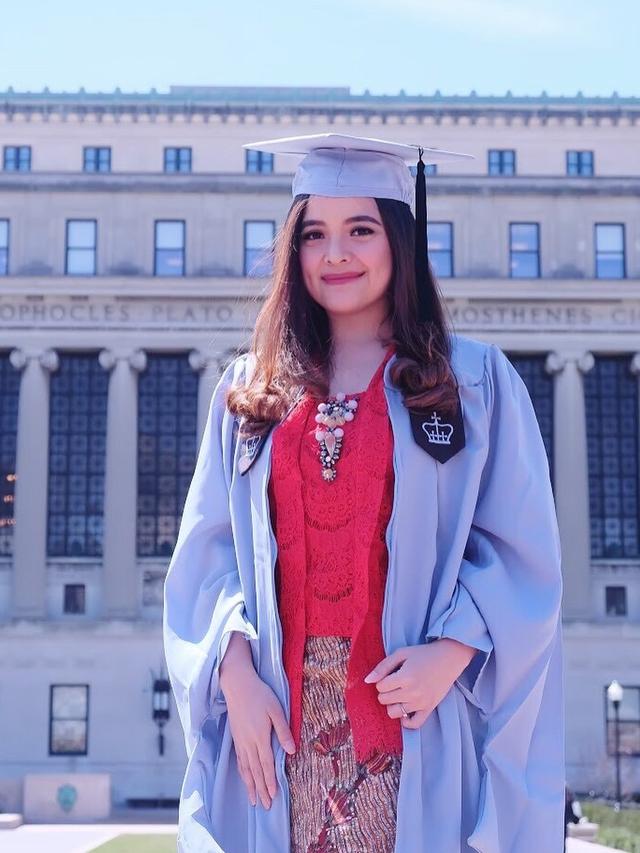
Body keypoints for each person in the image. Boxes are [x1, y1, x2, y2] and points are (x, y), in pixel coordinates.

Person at [163, 133, 566, 852]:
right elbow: (208, 554)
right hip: (277, 729)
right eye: (314, 234)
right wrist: (235, 676)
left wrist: (454, 649)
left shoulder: (470, 383)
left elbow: (521, 549)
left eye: (360, 230)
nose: (335, 254)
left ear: (399, 241)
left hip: (412, 716)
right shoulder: (252, 390)